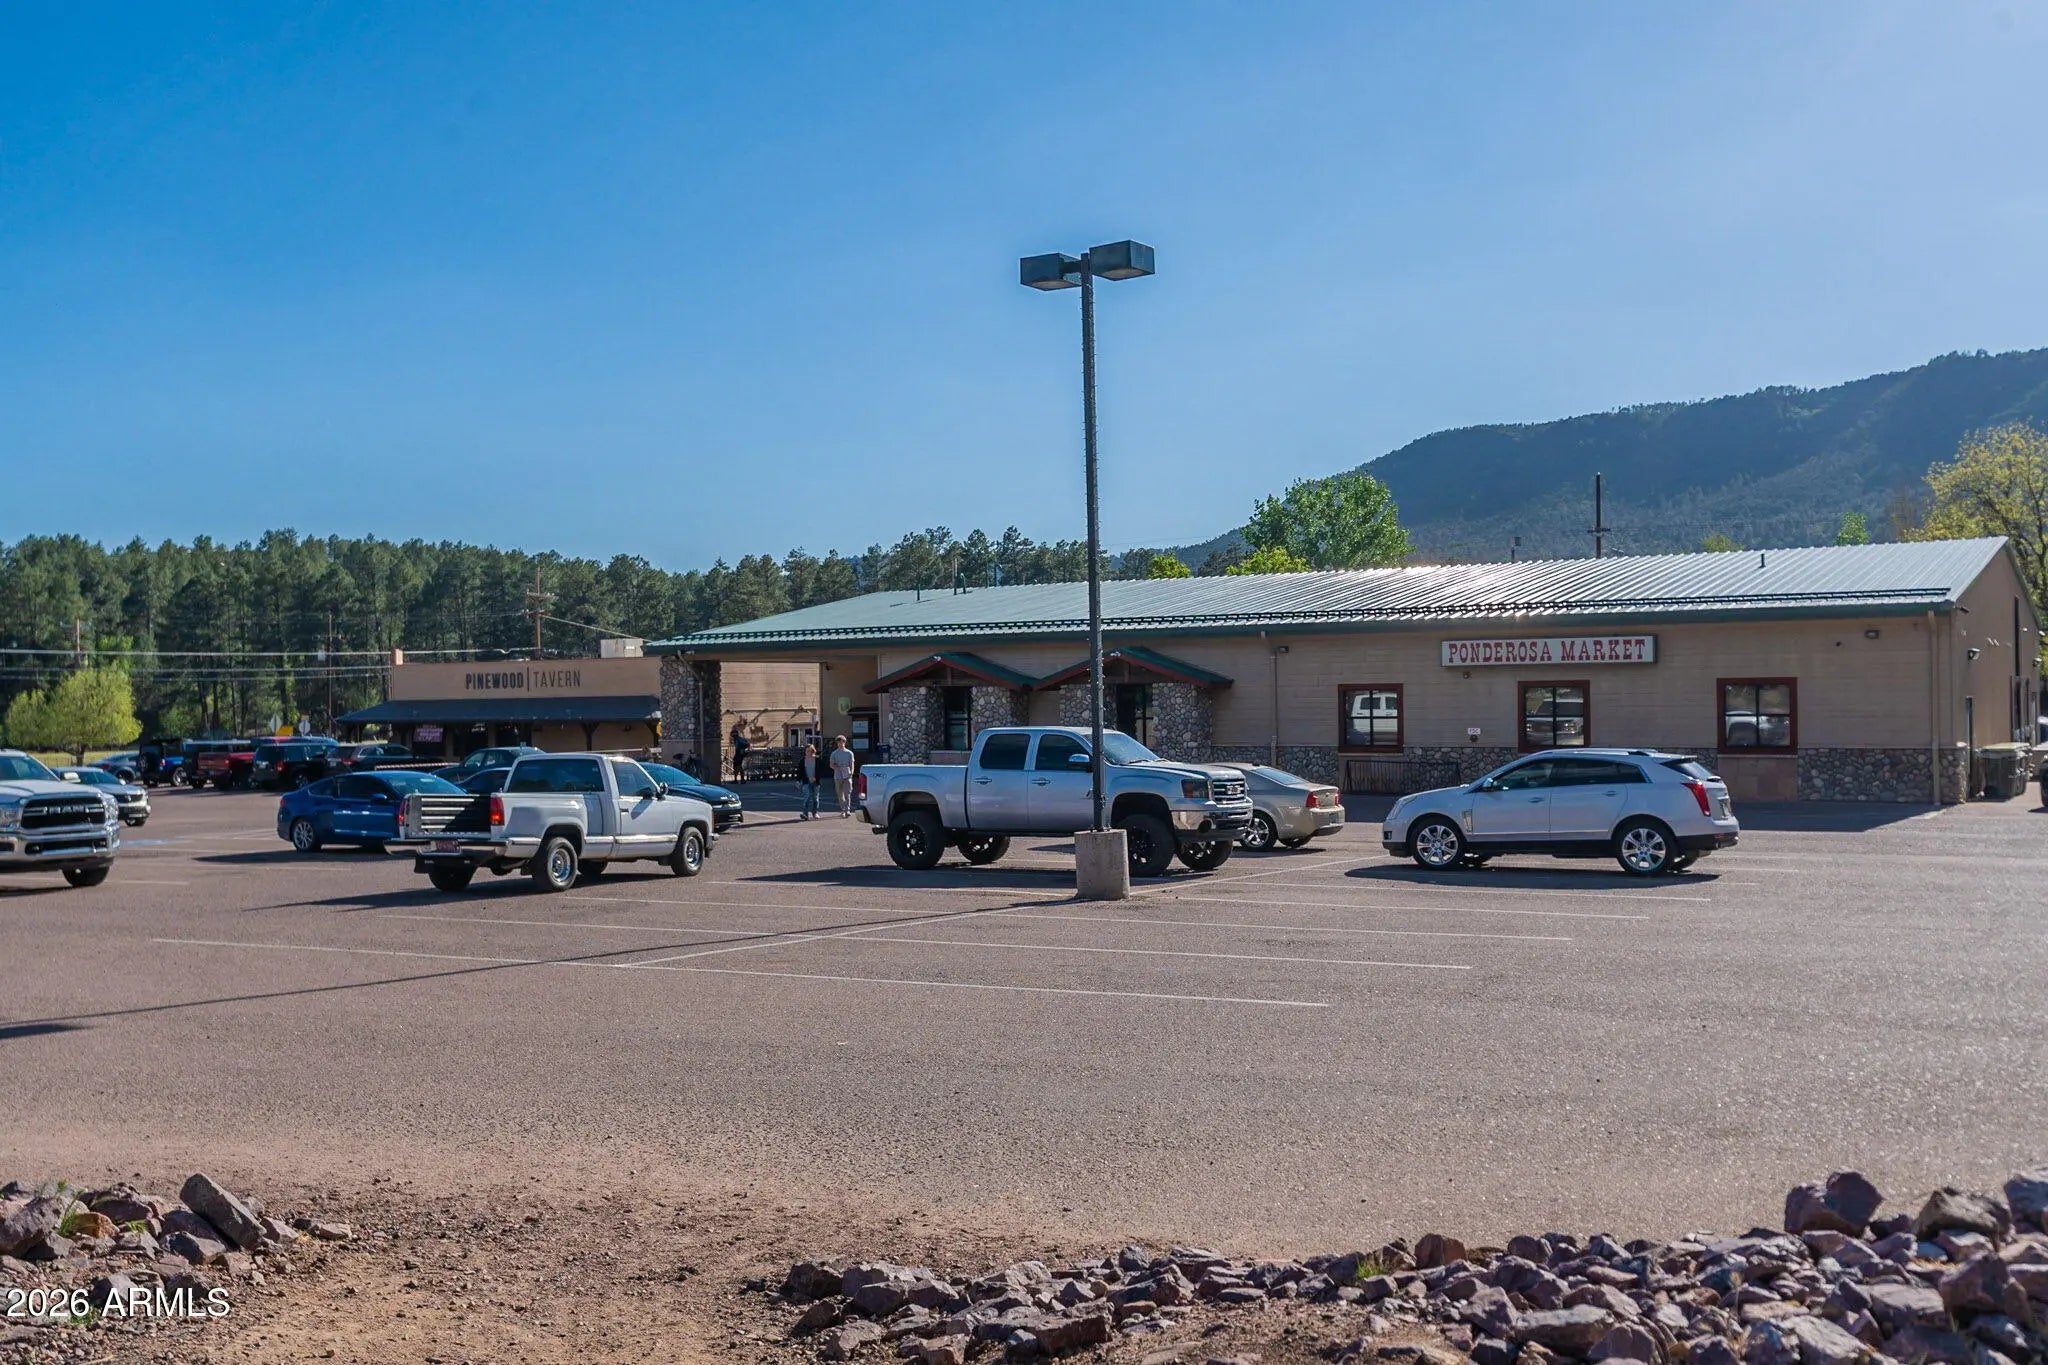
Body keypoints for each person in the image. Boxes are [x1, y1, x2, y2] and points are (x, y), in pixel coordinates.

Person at [829, 734, 856, 817]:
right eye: (839, 742)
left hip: (847, 775)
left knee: (847, 793)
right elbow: (831, 765)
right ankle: (843, 810)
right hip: (838, 776)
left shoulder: (849, 753)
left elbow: (852, 764)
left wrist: (851, 773)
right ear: (837, 743)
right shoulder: (834, 753)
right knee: (840, 794)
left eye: (842, 742)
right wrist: (838, 768)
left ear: (845, 742)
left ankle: (847, 810)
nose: (840, 744)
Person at [796, 742, 823, 820]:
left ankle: (815, 812)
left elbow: (821, 771)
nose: (808, 752)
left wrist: (816, 778)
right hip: (806, 781)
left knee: (815, 798)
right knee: (807, 797)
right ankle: (805, 814)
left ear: (813, 751)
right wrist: (798, 781)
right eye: (807, 750)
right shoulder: (802, 761)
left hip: (816, 781)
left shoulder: (817, 760)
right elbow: (799, 772)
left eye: (810, 750)